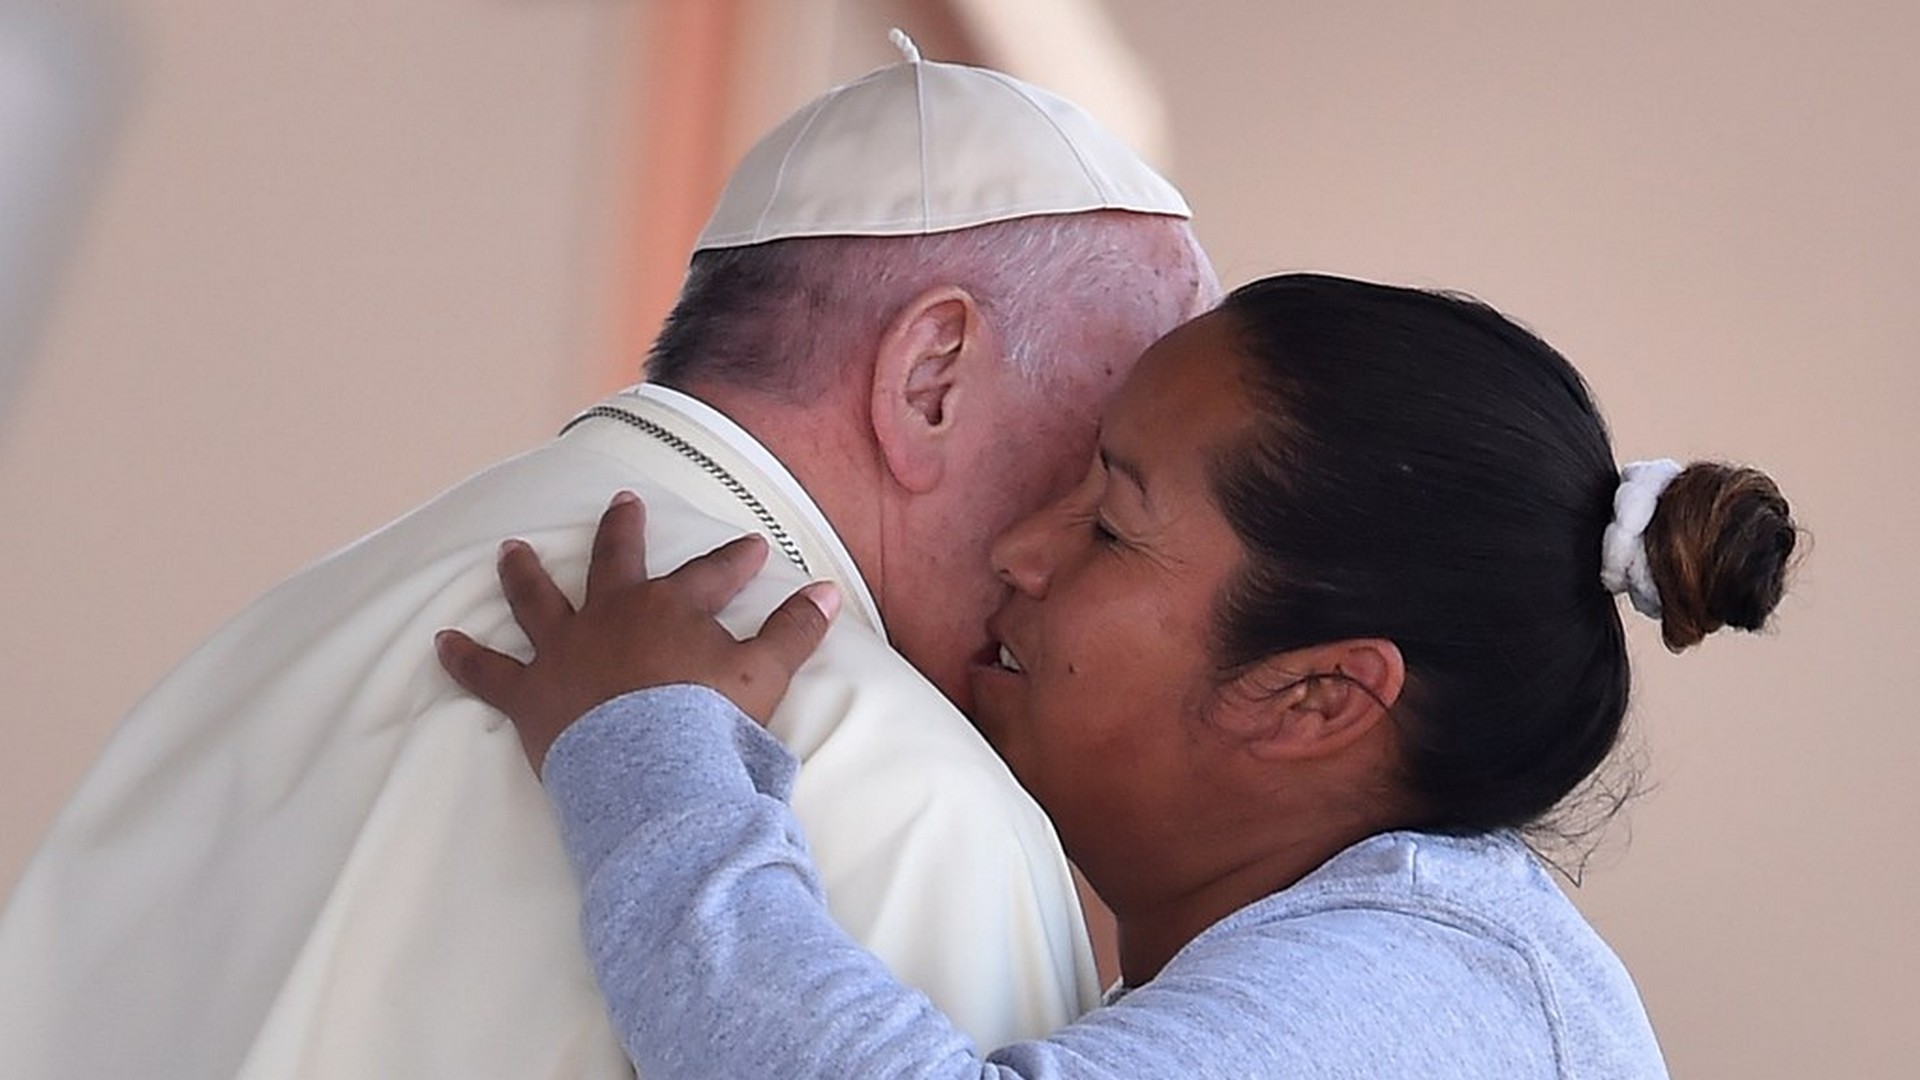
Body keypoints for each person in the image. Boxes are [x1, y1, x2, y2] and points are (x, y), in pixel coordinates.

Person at [0, 41, 1215, 1079]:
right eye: (1105, 458)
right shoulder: (889, 784)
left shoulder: (293, 626)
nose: (1084, 546)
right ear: (929, 377)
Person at [438, 273, 1799, 1078]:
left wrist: (648, 749)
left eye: (1106, 522)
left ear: (1317, 697)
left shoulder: (1435, 1003)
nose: (1020, 553)